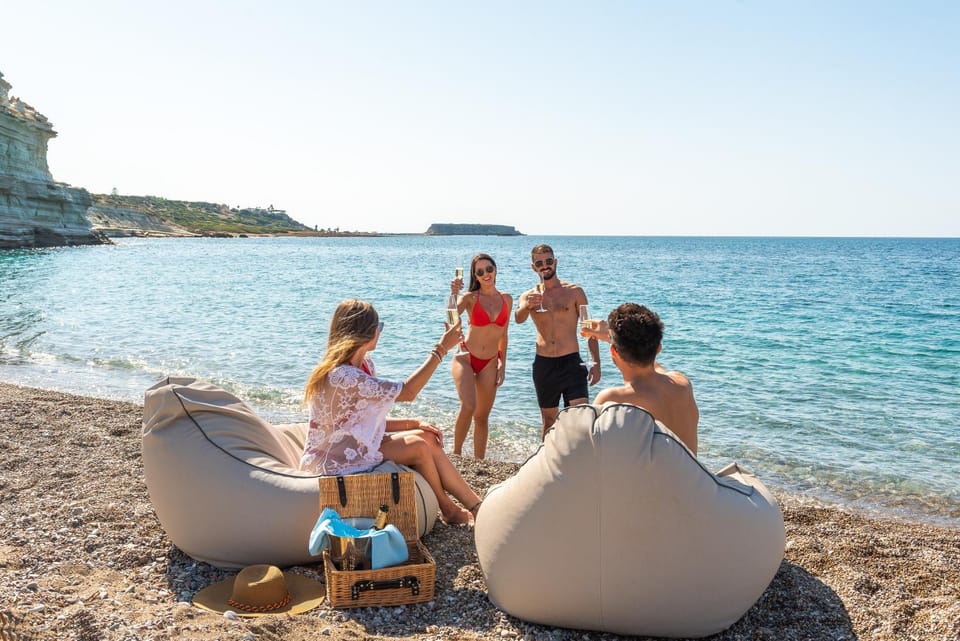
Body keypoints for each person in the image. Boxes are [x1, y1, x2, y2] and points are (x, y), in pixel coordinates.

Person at [300, 299, 482, 526]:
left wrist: (415, 423)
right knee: (419, 446)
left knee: (427, 437)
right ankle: (448, 509)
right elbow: (408, 392)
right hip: (335, 459)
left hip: (352, 444)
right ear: (367, 333)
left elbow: (364, 422)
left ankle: (476, 505)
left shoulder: (364, 366)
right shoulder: (344, 376)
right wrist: (441, 349)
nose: (380, 332)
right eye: (379, 327)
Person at [581, 303, 700, 454]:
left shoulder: (612, 399)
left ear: (613, 351)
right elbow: (652, 365)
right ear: (658, 349)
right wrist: (612, 338)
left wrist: (613, 340)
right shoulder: (683, 384)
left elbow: (584, 448)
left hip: (652, 471)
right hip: (692, 469)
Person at [515, 243, 601, 438]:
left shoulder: (575, 292)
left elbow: (589, 329)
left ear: (555, 262)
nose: (545, 266)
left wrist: (596, 362)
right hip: (544, 364)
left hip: (572, 362)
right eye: (539, 263)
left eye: (548, 261)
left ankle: (579, 455)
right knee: (548, 420)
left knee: (580, 418)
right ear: (533, 267)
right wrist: (527, 305)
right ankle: (548, 456)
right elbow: (518, 318)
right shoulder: (528, 296)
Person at [449, 253, 511, 458]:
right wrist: (453, 294)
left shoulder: (507, 299)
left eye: (489, 269)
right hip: (466, 358)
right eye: (480, 272)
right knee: (468, 406)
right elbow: (451, 318)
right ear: (475, 276)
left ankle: (479, 462)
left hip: (490, 362)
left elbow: (504, 334)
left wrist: (503, 364)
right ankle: (456, 455)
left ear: (496, 270)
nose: (486, 274)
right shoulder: (469, 298)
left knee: (482, 417)